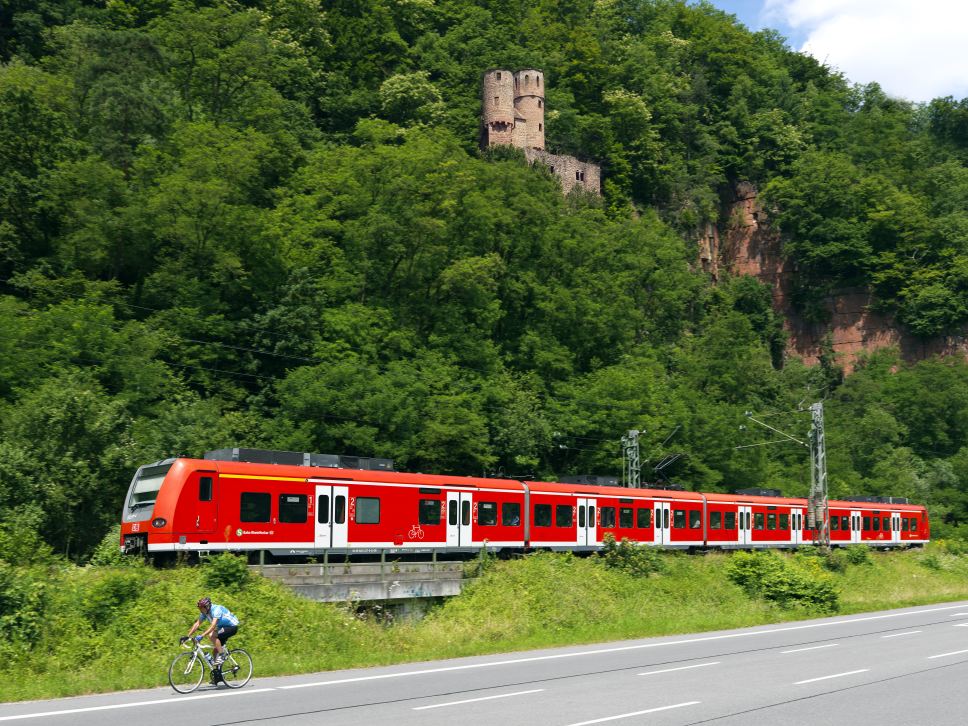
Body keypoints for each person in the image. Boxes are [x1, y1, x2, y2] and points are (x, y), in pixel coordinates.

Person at [182, 597, 239, 666]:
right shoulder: (204, 613)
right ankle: (218, 672)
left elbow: (212, 626)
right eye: (199, 608)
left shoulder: (216, 610)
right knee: (215, 651)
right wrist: (188, 636)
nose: (200, 610)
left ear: (207, 607)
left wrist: (202, 635)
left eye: (201, 608)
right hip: (223, 627)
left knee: (211, 635)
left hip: (232, 626)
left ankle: (222, 655)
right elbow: (197, 624)